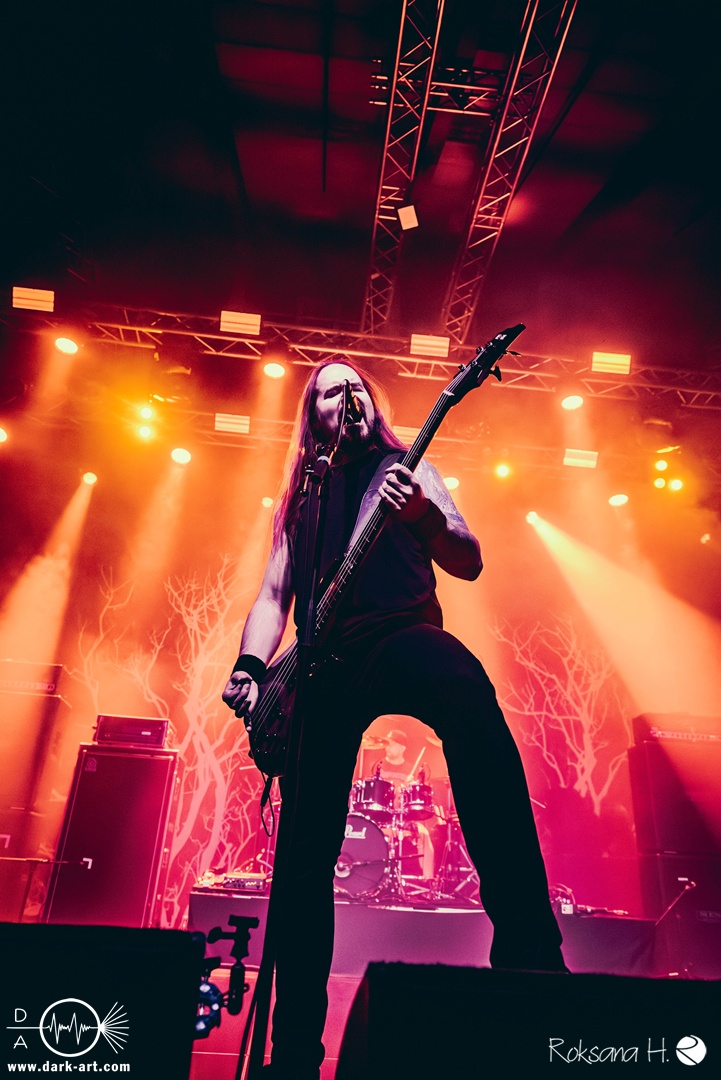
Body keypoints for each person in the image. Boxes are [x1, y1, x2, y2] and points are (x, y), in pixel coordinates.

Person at [222, 360, 566, 1080]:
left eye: (356, 387)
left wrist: (421, 516)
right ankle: (293, 1048)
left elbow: (467, 560)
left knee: (466, 690)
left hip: (401, 635)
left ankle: (531, 957)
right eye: (330, 391)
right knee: (305, 852)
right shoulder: (301, 497)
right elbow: (274, 594)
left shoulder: (404, 468)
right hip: (323, 663)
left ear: (371, 404)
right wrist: (251, 667)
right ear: (312, 413)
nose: (346, 397)